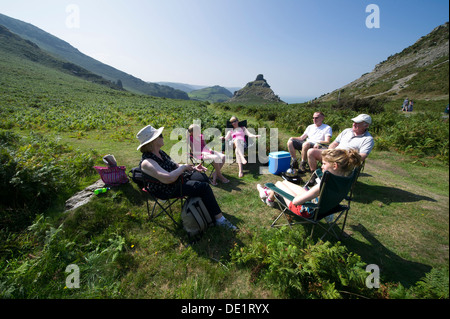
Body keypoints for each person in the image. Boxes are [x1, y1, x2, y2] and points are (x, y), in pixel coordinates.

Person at [136, 125, 237, 230]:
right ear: (153, 141)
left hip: (177, 180)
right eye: (160, 135)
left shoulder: (160, 153)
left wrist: (192, 168)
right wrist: (183, 168)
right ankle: (220, 220)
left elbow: (175, 166)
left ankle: (205, 209)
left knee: (202, 177)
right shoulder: (147, 162)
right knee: (204, 187)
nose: (162, 137)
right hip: (166, 189)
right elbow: (168, 178)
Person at [257, 149, 362, 216]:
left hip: (307, 211)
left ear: (334, 165)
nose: (322, 166)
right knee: (285, 182)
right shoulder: (346, 179)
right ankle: (268, 194)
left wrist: (298, 195)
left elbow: (296, 202)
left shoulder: (324, 184)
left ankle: (268, 197)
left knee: (279, 184)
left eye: (324, 163)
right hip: (327, 207)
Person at [307, 114, 374, 172]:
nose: (354, 124)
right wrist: (331, 151)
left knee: (331, 162)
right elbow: (334, 143)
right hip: (333, 153)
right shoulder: (346, 131)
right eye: (354, 122)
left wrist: (345, 156)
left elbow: (362, 157)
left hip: (345, 160)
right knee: (311, 151)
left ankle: (325, 178)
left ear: (366, 126)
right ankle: (314, 173)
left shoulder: (368, 139)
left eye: (358, 123)